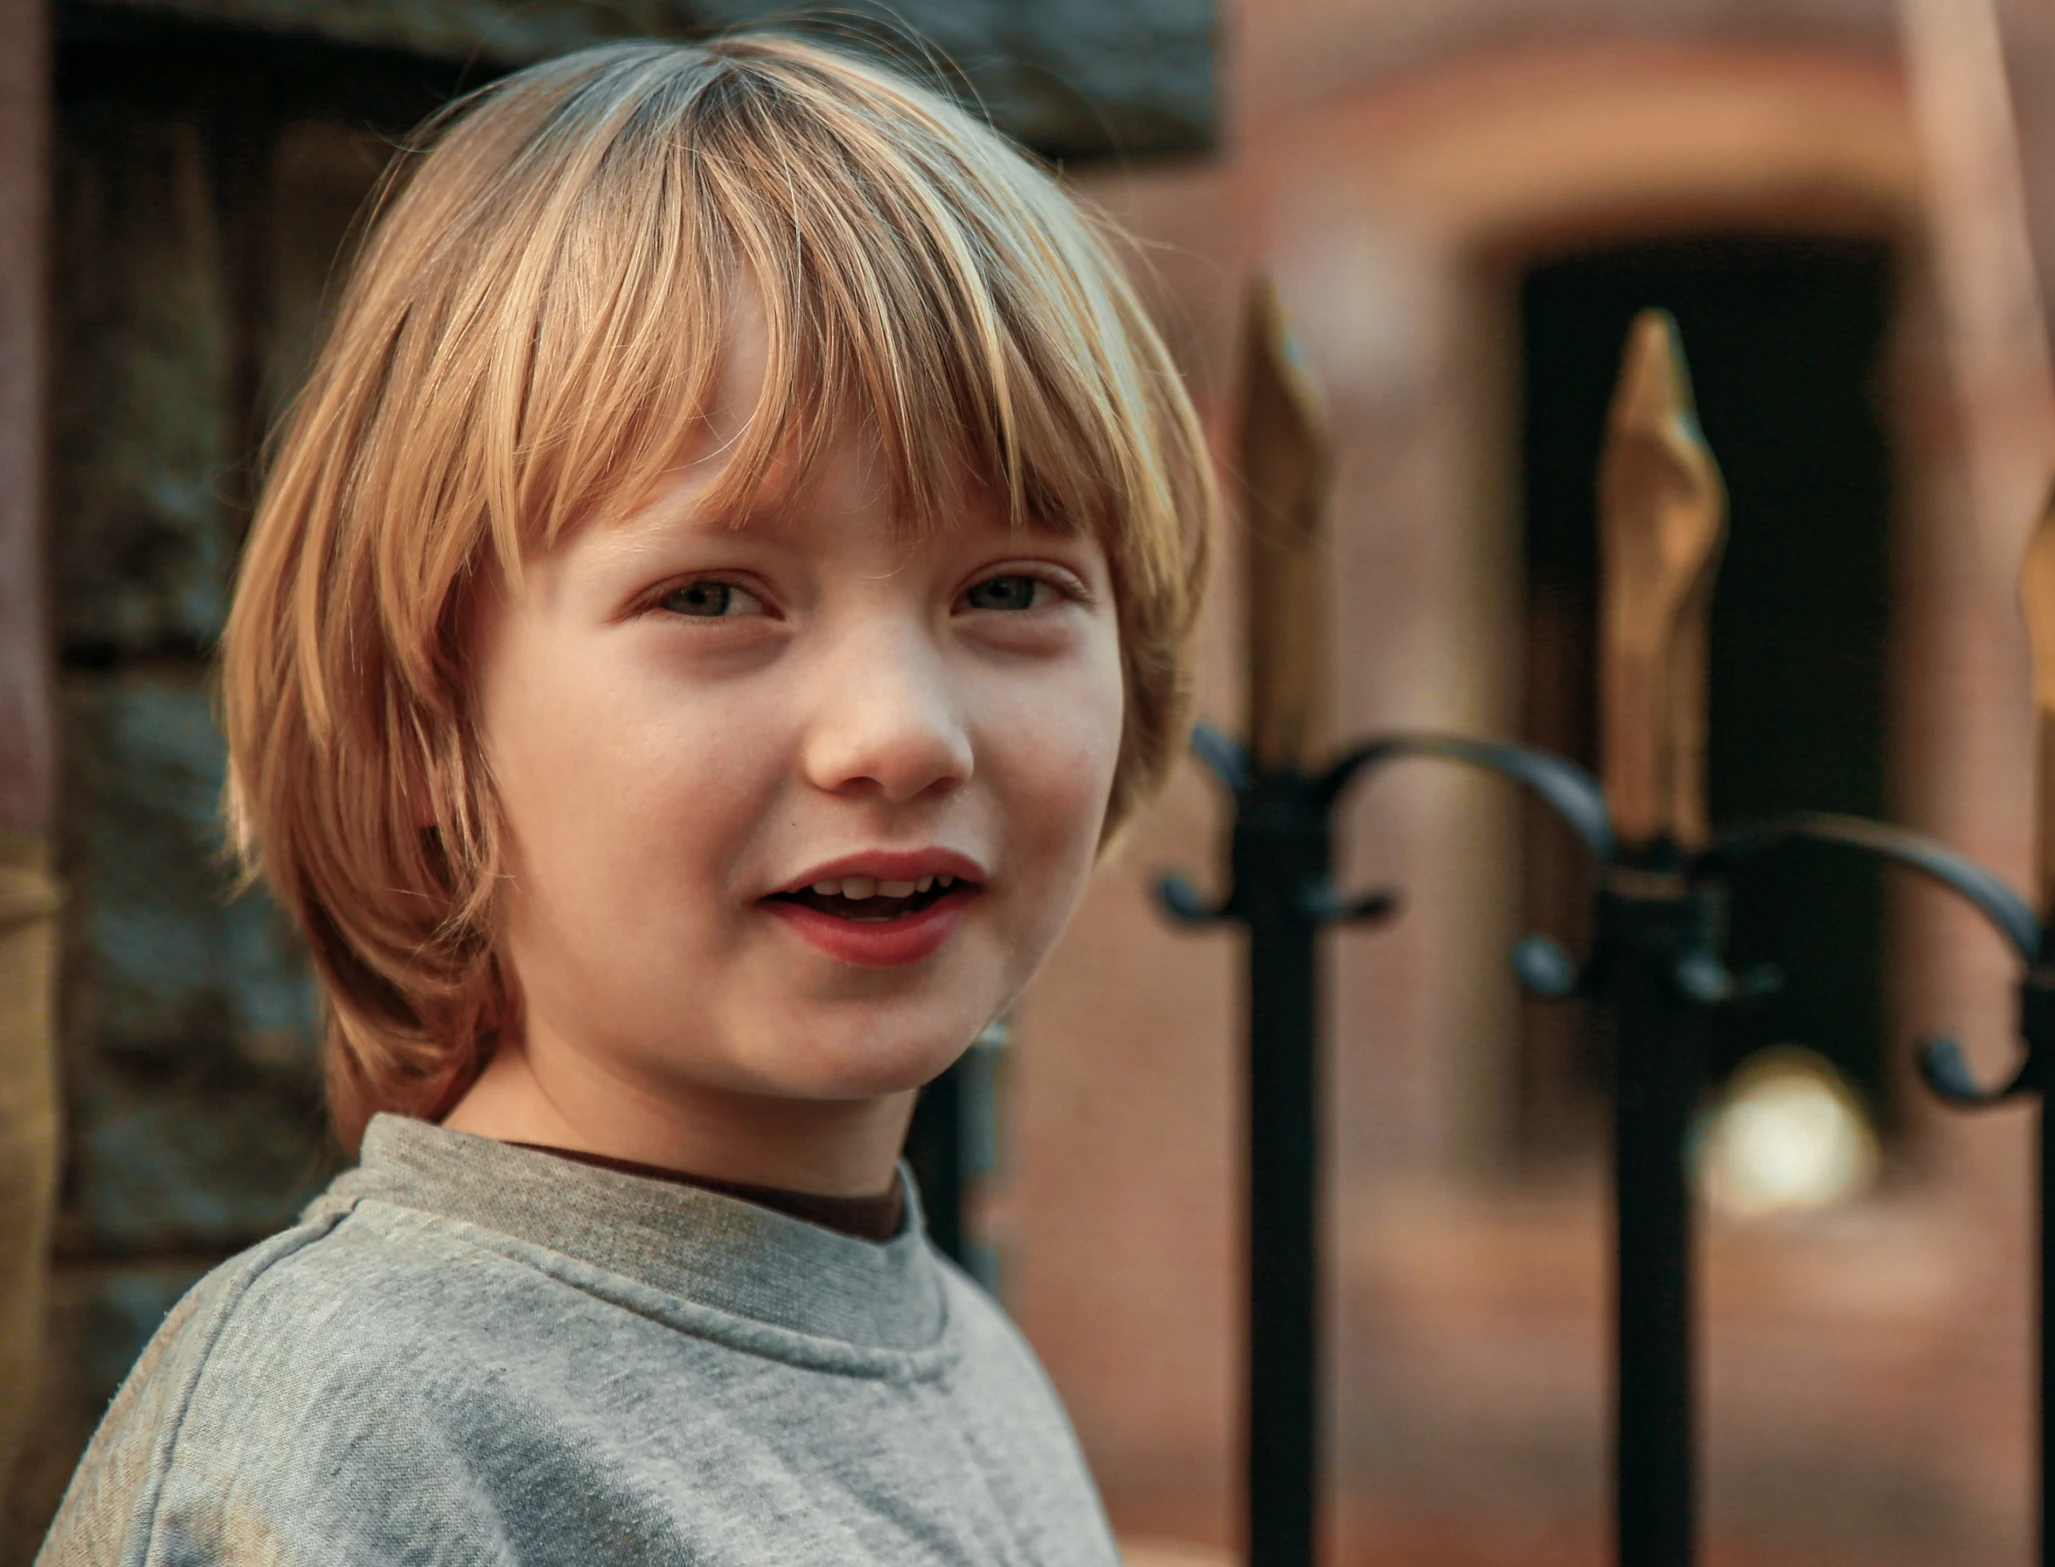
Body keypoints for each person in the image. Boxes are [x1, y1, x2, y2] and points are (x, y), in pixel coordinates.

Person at [40, 32, 1212, 1567]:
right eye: (715, 594)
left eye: (1008, 587)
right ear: (431, 712)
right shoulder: (352, 1439)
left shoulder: (961, 1353)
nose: (898, 736)